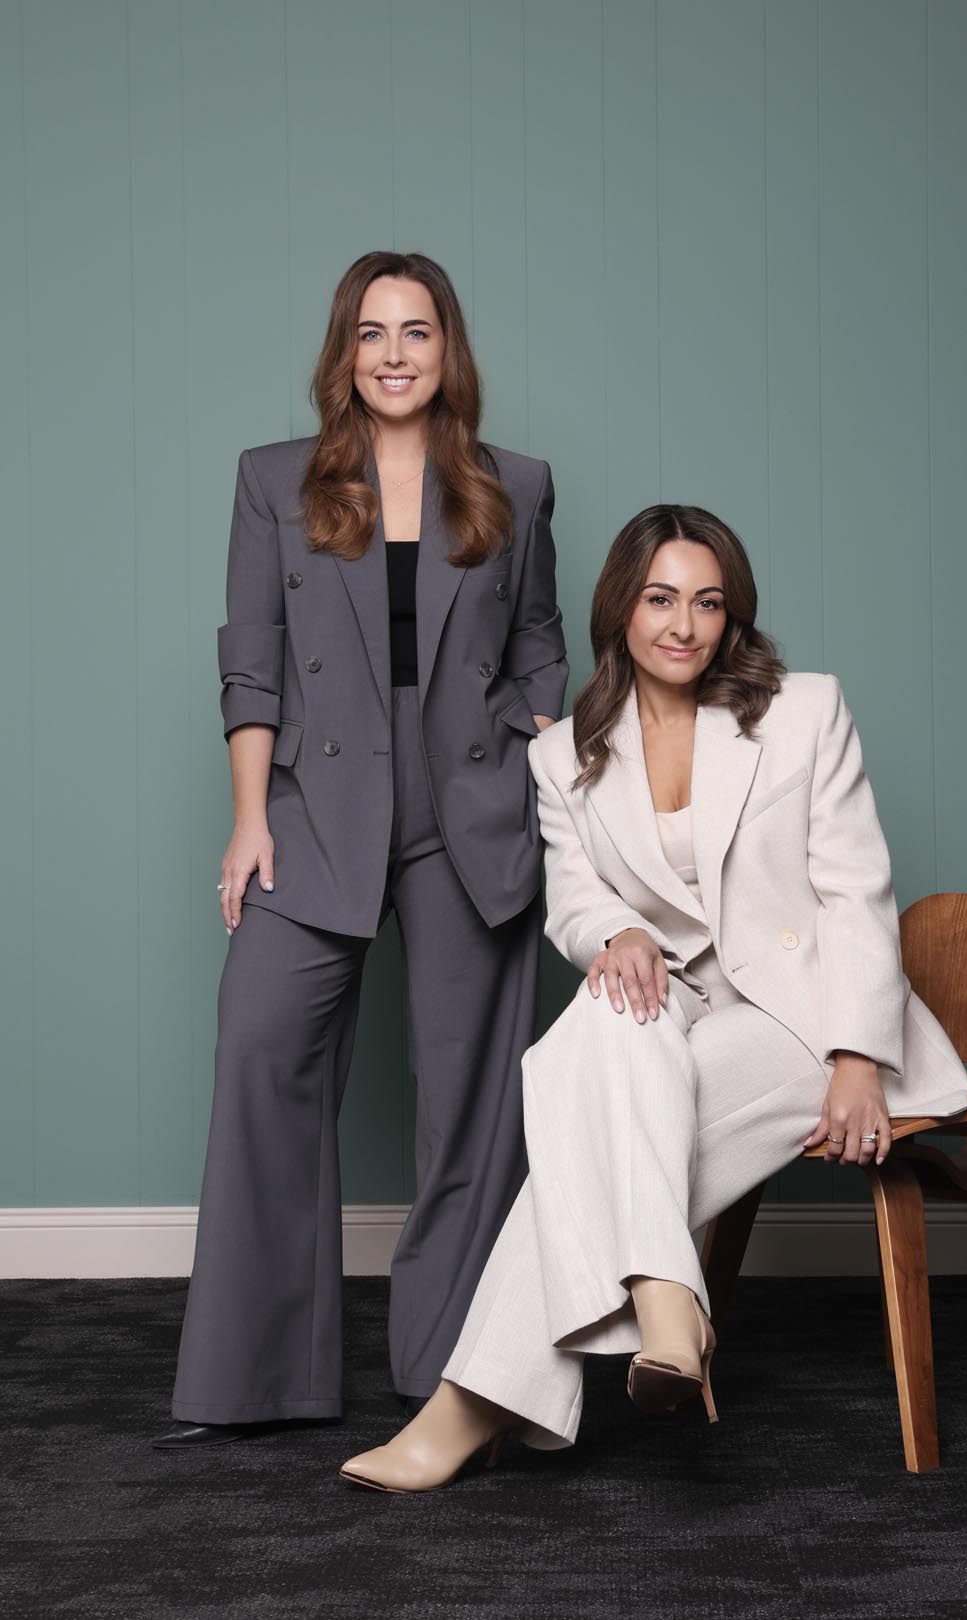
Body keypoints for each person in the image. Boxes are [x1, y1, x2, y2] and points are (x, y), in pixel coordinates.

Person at [337, 503, 967, 1490]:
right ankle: (667, 1296)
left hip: (807, 1022)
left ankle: (471, 1407)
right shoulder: (562, 756)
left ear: (733, 617)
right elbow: (577, 899)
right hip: (673, 1007)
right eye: (661, 598)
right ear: (620, 610)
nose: (684, 625)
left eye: (708, 603)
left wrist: (859, 1060)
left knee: (578, 1153)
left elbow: (856, 888)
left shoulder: (804, 710)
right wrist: (614, 933)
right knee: (608, 1010)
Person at [153, 251, 567, 1449]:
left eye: (417, 332)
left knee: (471, 1102)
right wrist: (249, 817)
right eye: (371, 333)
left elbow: (538, 640)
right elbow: (252, 659)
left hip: (468, 807)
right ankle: (258, 1373)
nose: (393, 353)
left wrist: (543, 752)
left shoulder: (518, 485)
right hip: (316, 804)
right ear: (342, 353)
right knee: (261, 1052)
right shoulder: (273, 481)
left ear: (450, 351)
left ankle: (456, 1371)